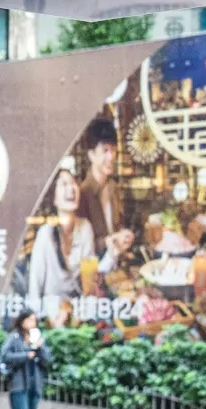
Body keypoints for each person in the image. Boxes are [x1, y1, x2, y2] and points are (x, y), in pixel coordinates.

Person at [25, 165, 96, 317]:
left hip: (78, 313)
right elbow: (35, 285)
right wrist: (34, 319)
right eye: (64, 184)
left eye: (73, 183)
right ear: (54, 198)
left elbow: (89, 279)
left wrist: (112, 253)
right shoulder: (46, 233)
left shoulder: (85, 228)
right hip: (50, 314)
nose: (71, 188)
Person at [78, 117, 134, 266]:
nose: (111, 157)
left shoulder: (113, 188)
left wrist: (124, 237)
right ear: (91, 155)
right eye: (105, 151)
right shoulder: (83, 194)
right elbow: (81, 246)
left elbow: (117, 227)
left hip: (116, 266)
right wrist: (112, 240)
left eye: (114, 150)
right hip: (95, 271)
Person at [0, 310, 51, 409]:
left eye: (34, 321)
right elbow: (5, 357)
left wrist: (40, 348)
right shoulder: (14, 338)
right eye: (29, 320)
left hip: (34, 383)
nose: (32, 324)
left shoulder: (37, 338)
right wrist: (25, 355)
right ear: (22, 321)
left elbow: (47, 359)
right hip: (19, 383)